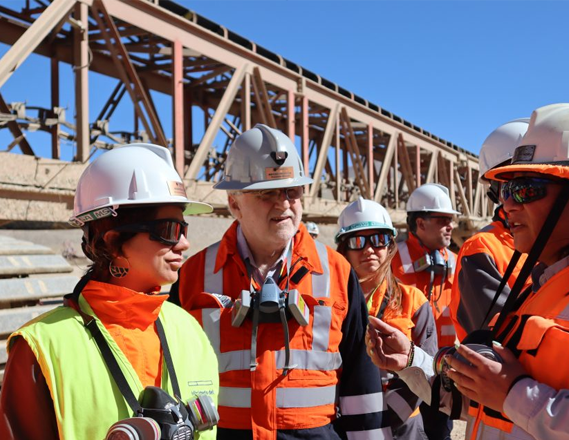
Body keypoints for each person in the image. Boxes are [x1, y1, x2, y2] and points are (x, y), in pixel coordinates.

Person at [366, 103, 569, 439]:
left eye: (526, 189)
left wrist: (516, 395)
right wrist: (411, 361)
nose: (508, 204)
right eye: (506, 191)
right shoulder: (536, 291)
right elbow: (488, 404)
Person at [170, 124, 390, 440]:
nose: (284, 203)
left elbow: (361, 380)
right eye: (267, 193)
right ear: (234, 203)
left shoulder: (337, 271)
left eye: (292, 191)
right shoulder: (193, 276)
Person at [0, 144, 220, 440]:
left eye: (184, 228)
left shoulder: (188, 330)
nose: (183, 244)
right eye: (169, 229)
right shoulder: (40, 347)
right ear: (114, 242)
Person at [335, 197, 450, 440]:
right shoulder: (331, 303)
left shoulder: (414, 301)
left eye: (378, 240)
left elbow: (428, 367)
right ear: (343, 250)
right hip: (346, 424)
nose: (368, 249)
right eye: (357, 241)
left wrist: (385, 418)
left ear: (389, 246)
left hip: (402, 426)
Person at [450, 119, 530, 342]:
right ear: (496, 192)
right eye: (515, 187)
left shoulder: (560, 246)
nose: (526, 196)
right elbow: (503, 340)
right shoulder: (482, 248)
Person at [392, 183, 459, 348]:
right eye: (443, 220)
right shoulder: (392, 259)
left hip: (447, 361)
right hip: (406, 362)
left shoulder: (457, 261)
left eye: (450, 220)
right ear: (421, 224)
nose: (450, 226)